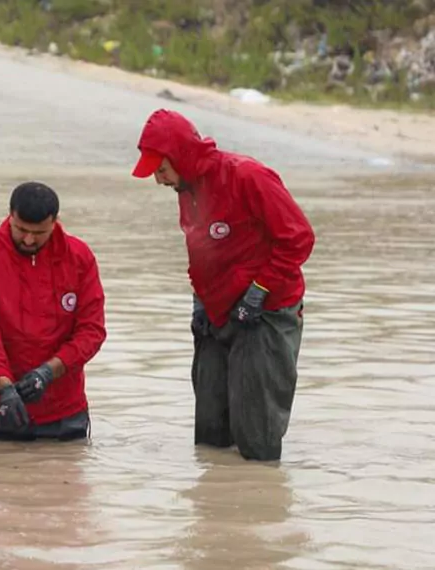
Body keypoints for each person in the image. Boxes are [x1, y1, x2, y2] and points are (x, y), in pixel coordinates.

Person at [130, 109, 315, 462]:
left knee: (256, 441)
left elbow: (299, 239)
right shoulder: (187, 189)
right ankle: (214, 510)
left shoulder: (247, 176)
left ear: (180, 156)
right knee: (210, 437)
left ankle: (260, 506)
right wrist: (200, 301)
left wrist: (259, 290)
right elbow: (203, 253)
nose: (158, 179)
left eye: (161, 169)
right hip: (217, 313)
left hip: (267, 315)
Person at [0, 182, 107, 442]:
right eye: (21, 229)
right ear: (10, 215)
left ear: (55, 222)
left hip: (63, 410)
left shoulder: (80, 257)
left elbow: (92, 331)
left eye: (39, 233)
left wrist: (48, 373)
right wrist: (3, 385)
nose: (28, 239)